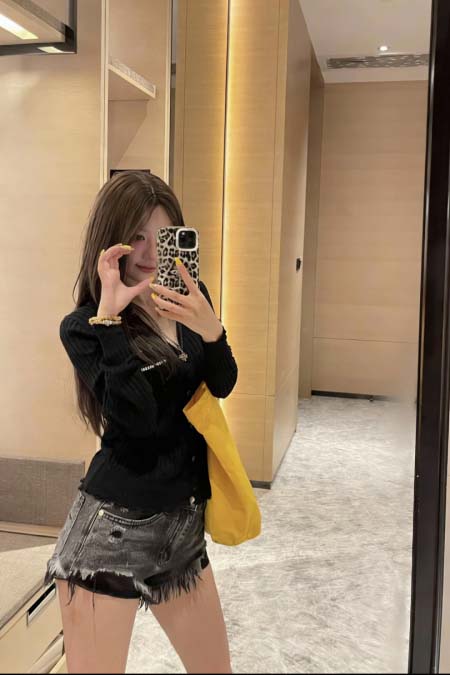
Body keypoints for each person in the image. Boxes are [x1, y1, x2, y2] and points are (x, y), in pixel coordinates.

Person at [44, 170, 238, 673]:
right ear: (112, 242)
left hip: (183, 528)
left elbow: (222, 383)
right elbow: (137, 419)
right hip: (111, 532)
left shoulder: (190, 299)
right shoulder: (84, 326)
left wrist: (211, 330)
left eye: (163, 236)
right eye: (137, 237)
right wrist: (110, 320)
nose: (151, 252)